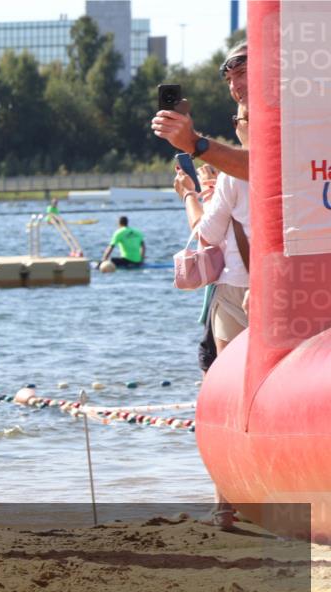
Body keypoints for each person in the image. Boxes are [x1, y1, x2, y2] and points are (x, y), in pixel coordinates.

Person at [174, 100, 252, 532]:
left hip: (237, 292)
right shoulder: (301, 162)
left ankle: (225, 504)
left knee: (225, 398)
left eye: (238, 118)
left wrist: (191, 195)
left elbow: (205, 234)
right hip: (294, 286)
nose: (235, 124)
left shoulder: (235, 176)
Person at [152, 41, 249, 181]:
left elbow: (260, 167)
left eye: (241, 72)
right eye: (228, 80)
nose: (234, 86)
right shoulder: (230, 179)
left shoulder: (285, 118)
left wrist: (192, 142)